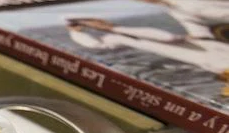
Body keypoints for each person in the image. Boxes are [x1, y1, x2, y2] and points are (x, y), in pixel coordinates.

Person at [66, 17, 229, 97]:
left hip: (208, 53)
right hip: (208, 54)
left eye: (95, 22)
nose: (97, 25)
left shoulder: (121, 33)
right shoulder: (117, 37)